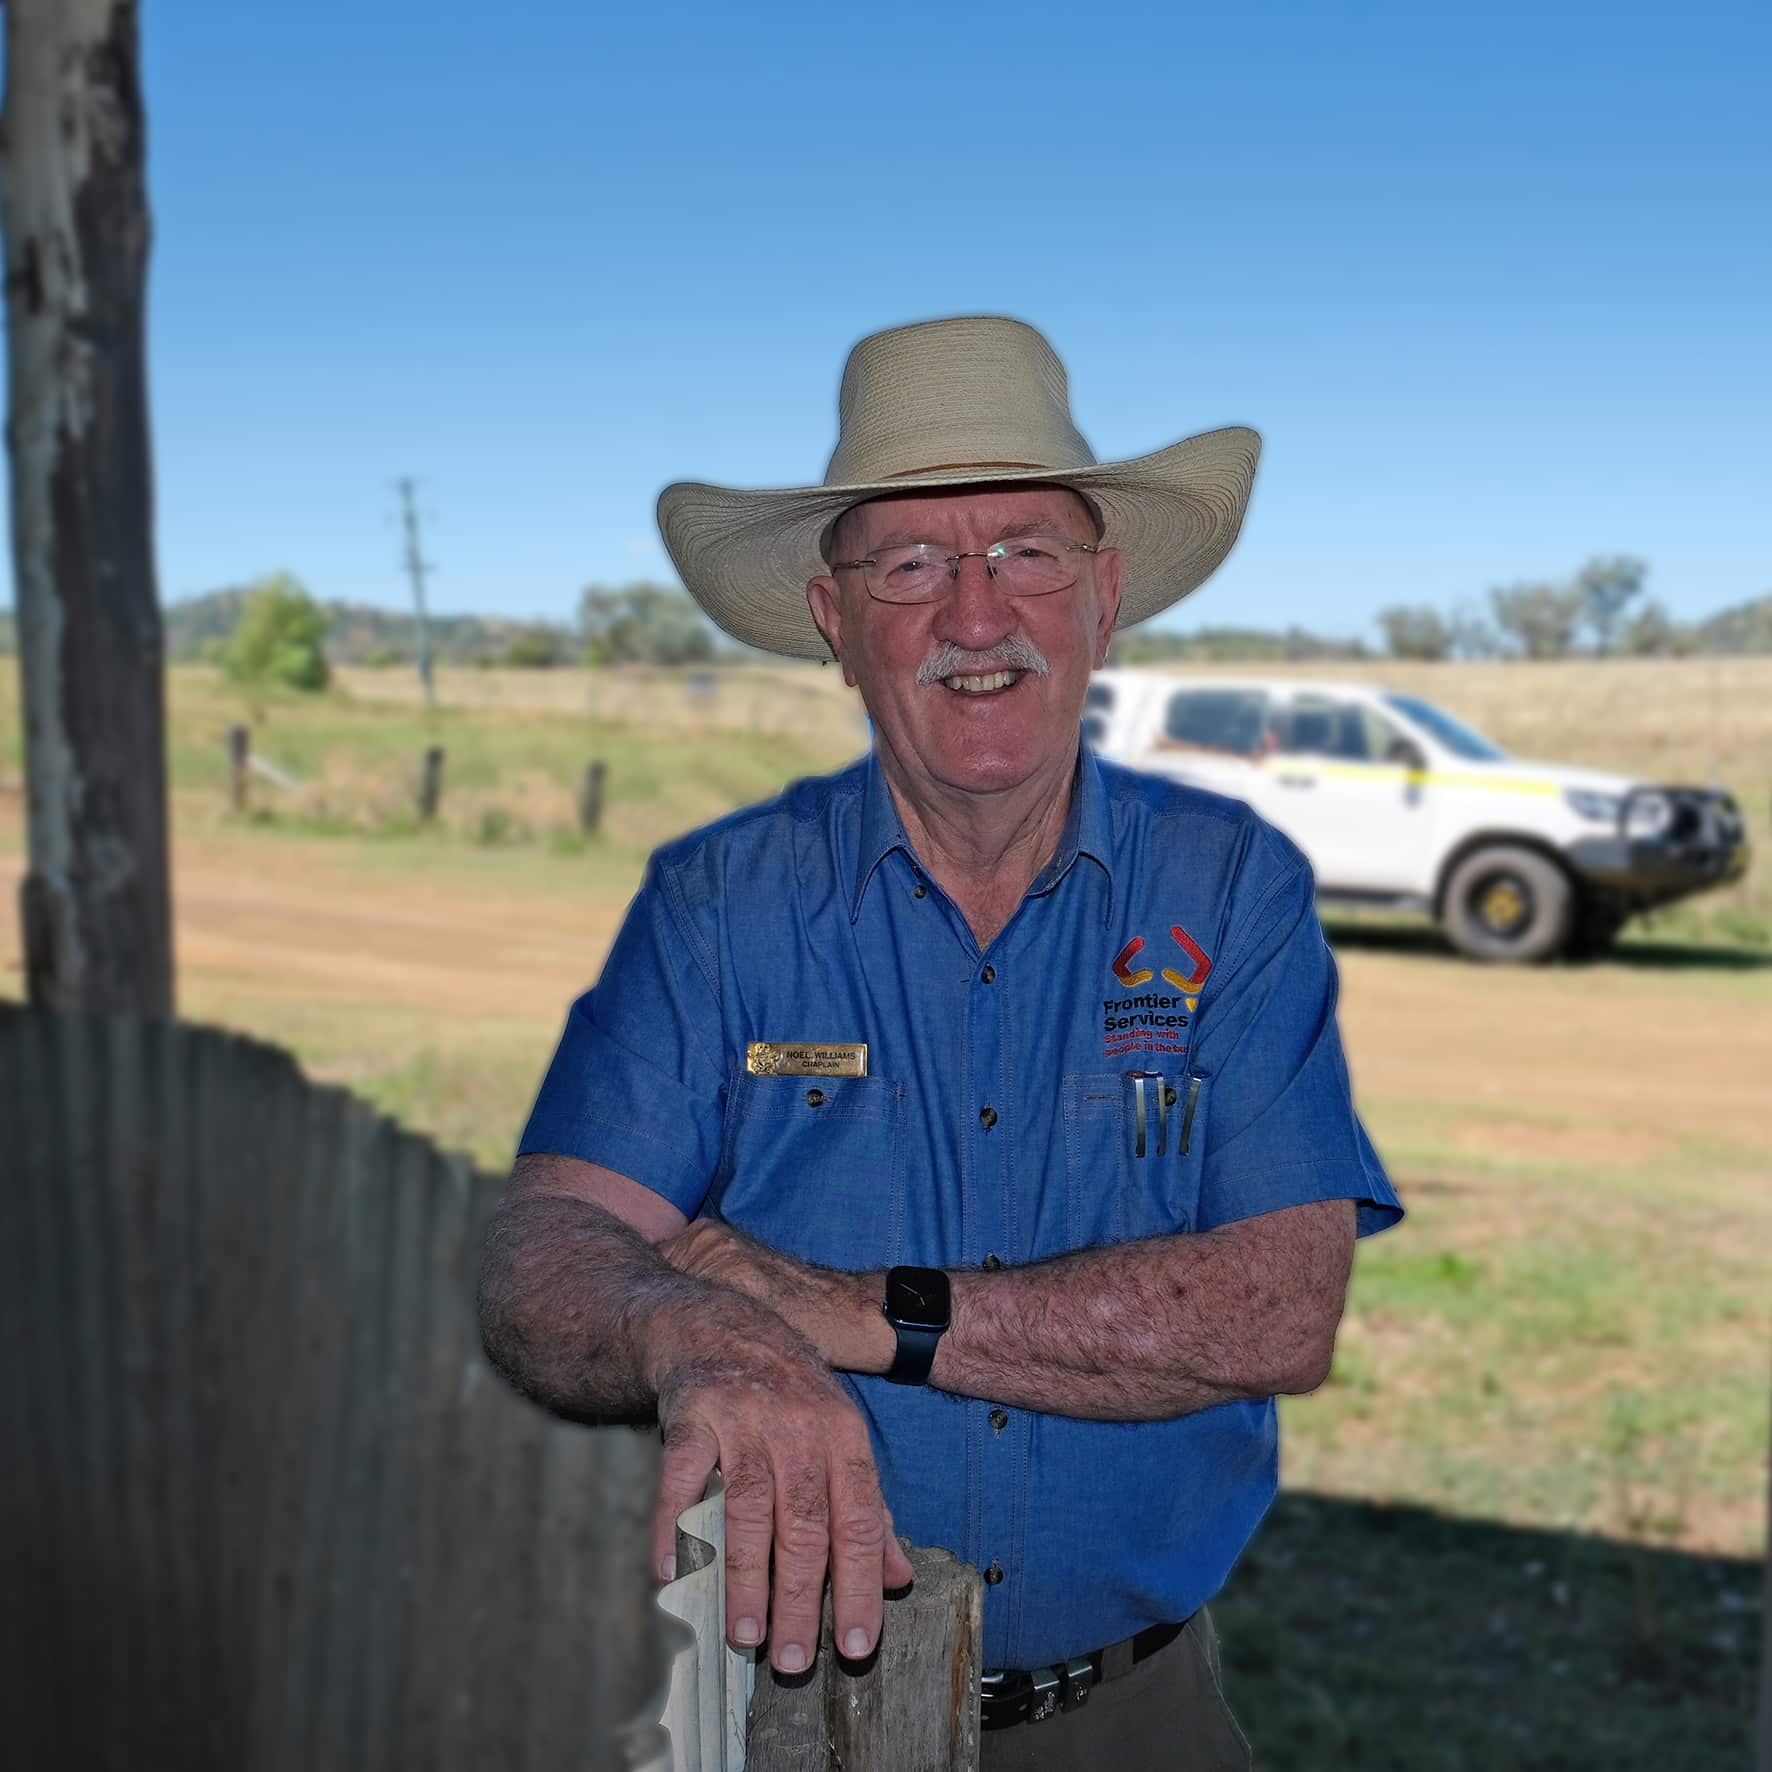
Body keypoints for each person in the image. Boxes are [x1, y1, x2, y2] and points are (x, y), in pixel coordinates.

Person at [478, 316, 1402, 1766]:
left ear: (1102, 600)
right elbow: (542, 1251)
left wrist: (860, 1314)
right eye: (910, 566)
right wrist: (700, 1325)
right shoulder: (722, 905)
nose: (978, 616)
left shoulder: (1232, 889)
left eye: (1027, 552)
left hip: (1137, 1717)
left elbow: (1281, 1307)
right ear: (836, 626)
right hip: (798, 1718)